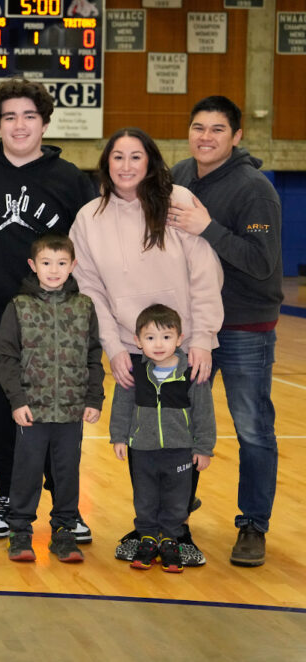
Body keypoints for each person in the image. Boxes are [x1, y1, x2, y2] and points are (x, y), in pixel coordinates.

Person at [70, 127, 223, 566]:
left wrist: (202, 339)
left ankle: (176, 530)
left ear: (151, 161)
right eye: (117, 157)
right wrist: (114, 347)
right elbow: (91, 289)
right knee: (143, 442)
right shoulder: (89, 218)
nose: (126, 166)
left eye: (136, 157)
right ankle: (147, 526)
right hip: (131, 350)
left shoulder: (177, 201)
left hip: (183, 346)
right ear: (106, 163)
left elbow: (204, 272)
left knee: (181, 438)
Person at [0, 79, 98, 542]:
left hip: (59, 316)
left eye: (29, 116)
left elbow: (91, 248)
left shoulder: (71, 179)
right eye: (10, 116)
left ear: (44, 122)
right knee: (2, 407)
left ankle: (64, 503)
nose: (20, 125)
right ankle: (6, 495)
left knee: (61, 410)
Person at [169, 96, 283, 567]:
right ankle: (174, 514)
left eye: (217, 129)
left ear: (236, 136)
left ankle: (253, 525)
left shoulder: (254, 189)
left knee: (252, 429)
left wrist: (208, 227)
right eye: (199, 127)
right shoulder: (178, 175)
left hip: (241, 328)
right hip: (190, 325)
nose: (206, 137)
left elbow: (262, 264)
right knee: (178, 424)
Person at [0, 235, 104, 563]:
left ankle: (64, 531)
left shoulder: (84, 307)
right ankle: (20, 531)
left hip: (71, 411)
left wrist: (93, 398)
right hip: (32, 409)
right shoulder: (19, 306)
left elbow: (93, 355)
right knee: (26, 471)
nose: (54, 270)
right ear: (33, 266)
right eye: (46, 263)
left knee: (68, 472)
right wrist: (17, 400)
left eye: (61, 263)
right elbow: (7, 357)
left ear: (73, 266)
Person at [110, 304, 216, 573]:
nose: (159, 344)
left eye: (167, 337)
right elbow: (121, 407)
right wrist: (119, 437)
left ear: (180, 339)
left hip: (180, 451)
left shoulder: (192, 375)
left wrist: (203, 448)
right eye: (150, 338)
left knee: (177, 499)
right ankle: (146, 539)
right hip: (142, 450)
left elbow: (204, 414)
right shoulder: (134, 373)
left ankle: (170, 540)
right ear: (137, 341)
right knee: (144, 498)